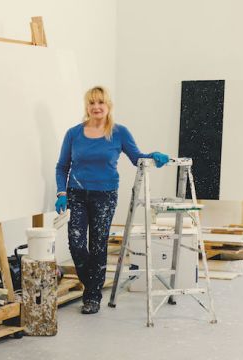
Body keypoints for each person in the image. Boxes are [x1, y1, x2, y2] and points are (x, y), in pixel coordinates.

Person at [55, 86, 169, 314]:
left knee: (97, 245)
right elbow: (62, 166)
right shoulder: (73, 133)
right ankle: (93, 284)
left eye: (100, 103)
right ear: (86, 106)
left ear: (108, 106)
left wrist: (153, 157)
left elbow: (137, 158)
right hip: (76, 193)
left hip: (105, 196)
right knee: (76, 244)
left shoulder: (119, 132)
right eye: (91, 103)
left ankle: (92, 296)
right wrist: (62, 193)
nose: (96, 107)